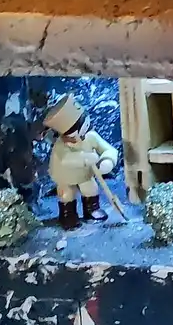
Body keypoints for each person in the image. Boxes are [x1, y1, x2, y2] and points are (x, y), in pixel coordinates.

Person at [43, 96, 119, 230]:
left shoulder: (91, 137)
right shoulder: (60, 146)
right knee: (67, 194)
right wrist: (85, 158)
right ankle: (68, 215)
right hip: (65, 177)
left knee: (91, 188)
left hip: (85, 175)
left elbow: (108, 149)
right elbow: (66, 159)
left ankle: (92, 210)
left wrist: (107, 161)